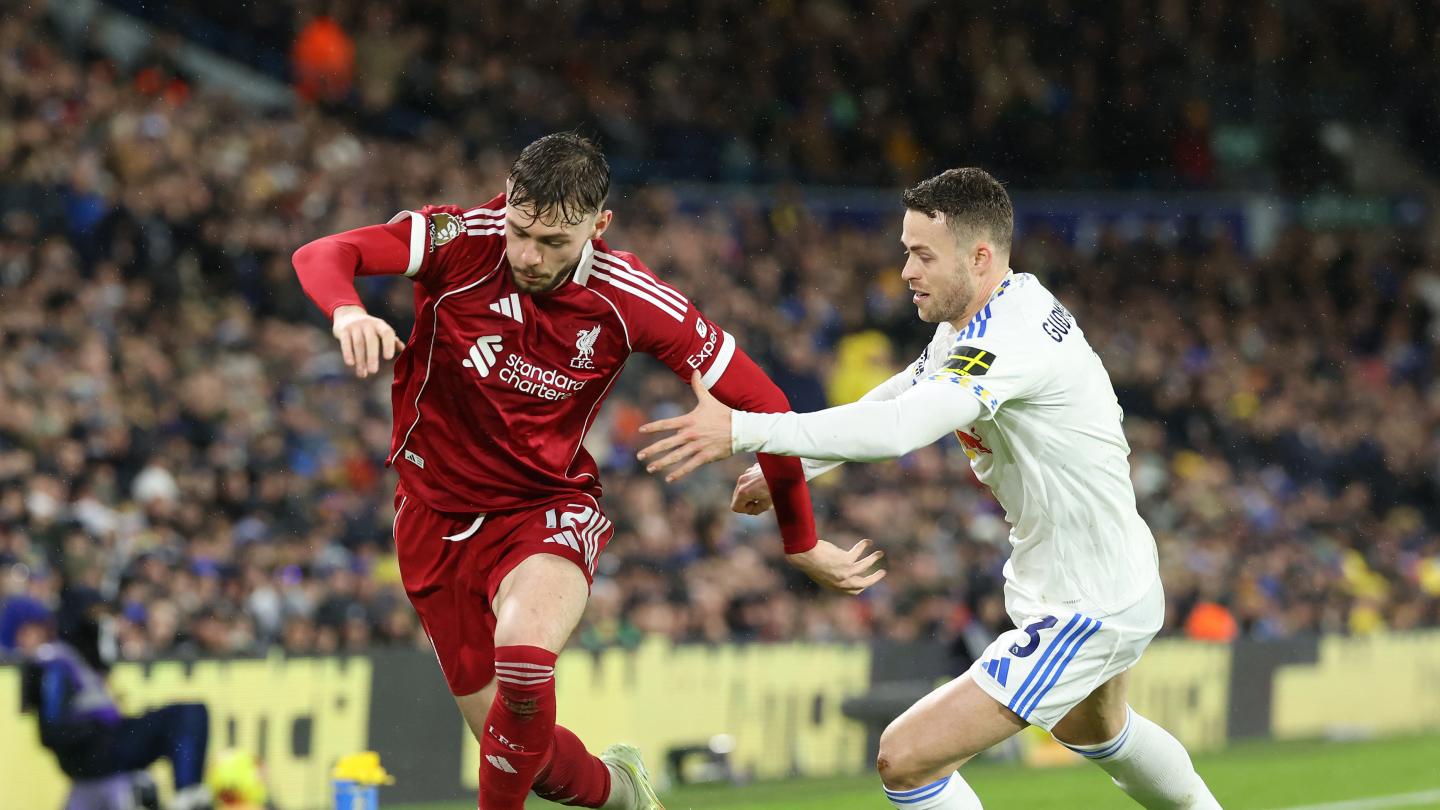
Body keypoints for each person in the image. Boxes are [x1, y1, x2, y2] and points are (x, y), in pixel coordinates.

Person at [290, 132, 881, 810]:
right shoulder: (462, 239)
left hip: (545, 507)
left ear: (599, 227)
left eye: (553, 243)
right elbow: (323, 253)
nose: (528, 256)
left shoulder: (629, 297)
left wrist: (799, 539)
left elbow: (767, 404)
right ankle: (623, 792)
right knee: (527, 757)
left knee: (523, 657)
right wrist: (347, 310)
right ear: (506, 202)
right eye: (520, 231)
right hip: (431, 517)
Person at [635, 168, 1222, 809]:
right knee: (1096, 727)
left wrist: (745, 429)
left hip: (1091, 597)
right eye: (906, 251)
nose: (906, 272)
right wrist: (798, 464)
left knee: (907, 758)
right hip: (1093, 569)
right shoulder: (982, 317)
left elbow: (901, 428)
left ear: (979, 256)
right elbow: (901, 393)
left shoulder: (1009, 337)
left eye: (923, 255)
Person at [9, 597, 211, 810]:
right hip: (100, 753)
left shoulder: (65, 655)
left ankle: (184, 794)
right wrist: (95, 734)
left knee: (189, 713)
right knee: (188, 714)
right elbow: (52, 731)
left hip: (99, 751)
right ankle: (187, 795)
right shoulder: (51, 662)